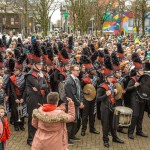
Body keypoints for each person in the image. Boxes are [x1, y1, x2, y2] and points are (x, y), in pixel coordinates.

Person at [97, 55, 124, 148]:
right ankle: (105, 140)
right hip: (104, 108)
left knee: (113, 123)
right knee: (105, 125)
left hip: (112, 106)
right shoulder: (101, 86)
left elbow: (115, 95)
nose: (111, 78)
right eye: (109, 77)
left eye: (111, 77)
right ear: (105, 78)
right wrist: (106, 94)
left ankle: (115, 138)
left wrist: (116, 92)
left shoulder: (113, 85)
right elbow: (98, 98)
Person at [126, 53, 148, 139]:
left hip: (143, 98)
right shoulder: (133, 79)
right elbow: (127, 89)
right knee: (135, 115)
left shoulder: (145, 78)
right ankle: (130, 132)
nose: (143, 71)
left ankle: (139, 131)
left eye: (143, 70)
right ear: (137, 71)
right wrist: (134, 86)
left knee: (141, 115)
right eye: (141, 70)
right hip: (134, 98)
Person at [65, 64, 84, 145]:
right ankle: (67, 139)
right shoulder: (69, 81)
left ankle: (72, 136)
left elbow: (80, 91)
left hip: (76, 103)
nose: (78, 71)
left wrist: (81, 101)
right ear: (72, 71)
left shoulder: (77, 79)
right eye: (77, 70)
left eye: (79, 70)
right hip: (71, 104)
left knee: (75, 120)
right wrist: (79, 103)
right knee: (70, 121)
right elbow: (71, 95)